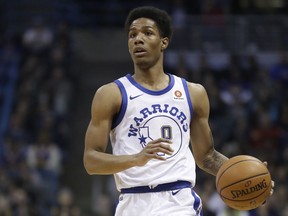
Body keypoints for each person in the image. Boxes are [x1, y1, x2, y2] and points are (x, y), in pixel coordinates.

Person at [83, 6, 272, 216]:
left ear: (164, 42)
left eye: (147, 33)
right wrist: (136, 159)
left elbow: (207, 157)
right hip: (132, 203)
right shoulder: (110, 94)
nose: (138, 39)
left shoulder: (193, 92)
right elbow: (91, 161)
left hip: (179, 202)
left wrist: (248, 176)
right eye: (132, 35)